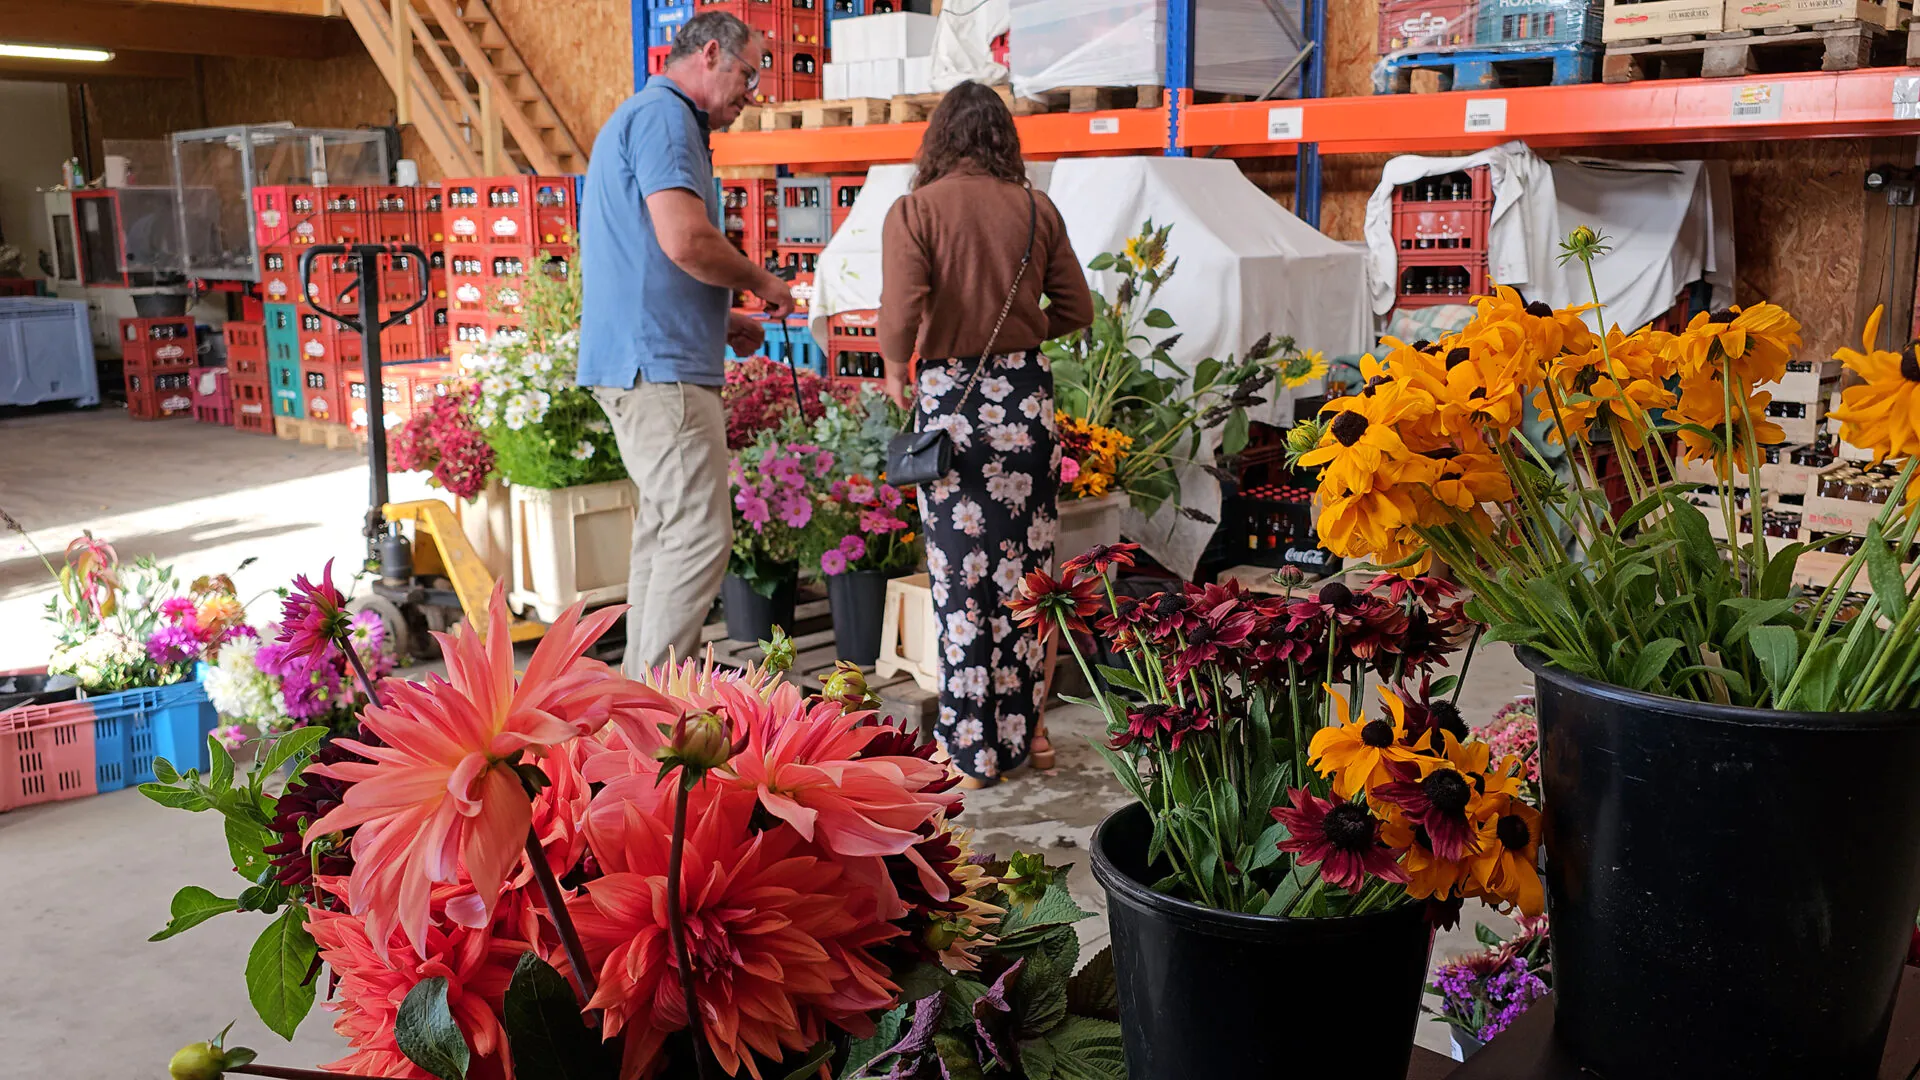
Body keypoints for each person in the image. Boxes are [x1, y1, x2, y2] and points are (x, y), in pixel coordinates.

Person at [878, 82, 1093, 788]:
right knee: (1028, 582)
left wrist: (894, 371)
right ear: (1004, 139)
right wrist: (1021, 336)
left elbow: (900, 314)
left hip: (953, 414)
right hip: (1026, 405)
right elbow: (1076, 308)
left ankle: (971, 752)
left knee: (961, 583)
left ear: (939, 138)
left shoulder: (915, 211)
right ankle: (1030, 737)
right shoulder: (1036, 208)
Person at [577, 11, 795, 675]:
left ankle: (632, 708)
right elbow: (686, 241)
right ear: (708, 53)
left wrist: (718, 316)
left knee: (666, 536)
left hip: (643, 358)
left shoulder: (644, 116)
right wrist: (764, 283)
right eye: (747, 74)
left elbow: (650, 256)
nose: (749, 94)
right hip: (661, 372)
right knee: (698, 536)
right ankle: (651, 717)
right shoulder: (668, 118)